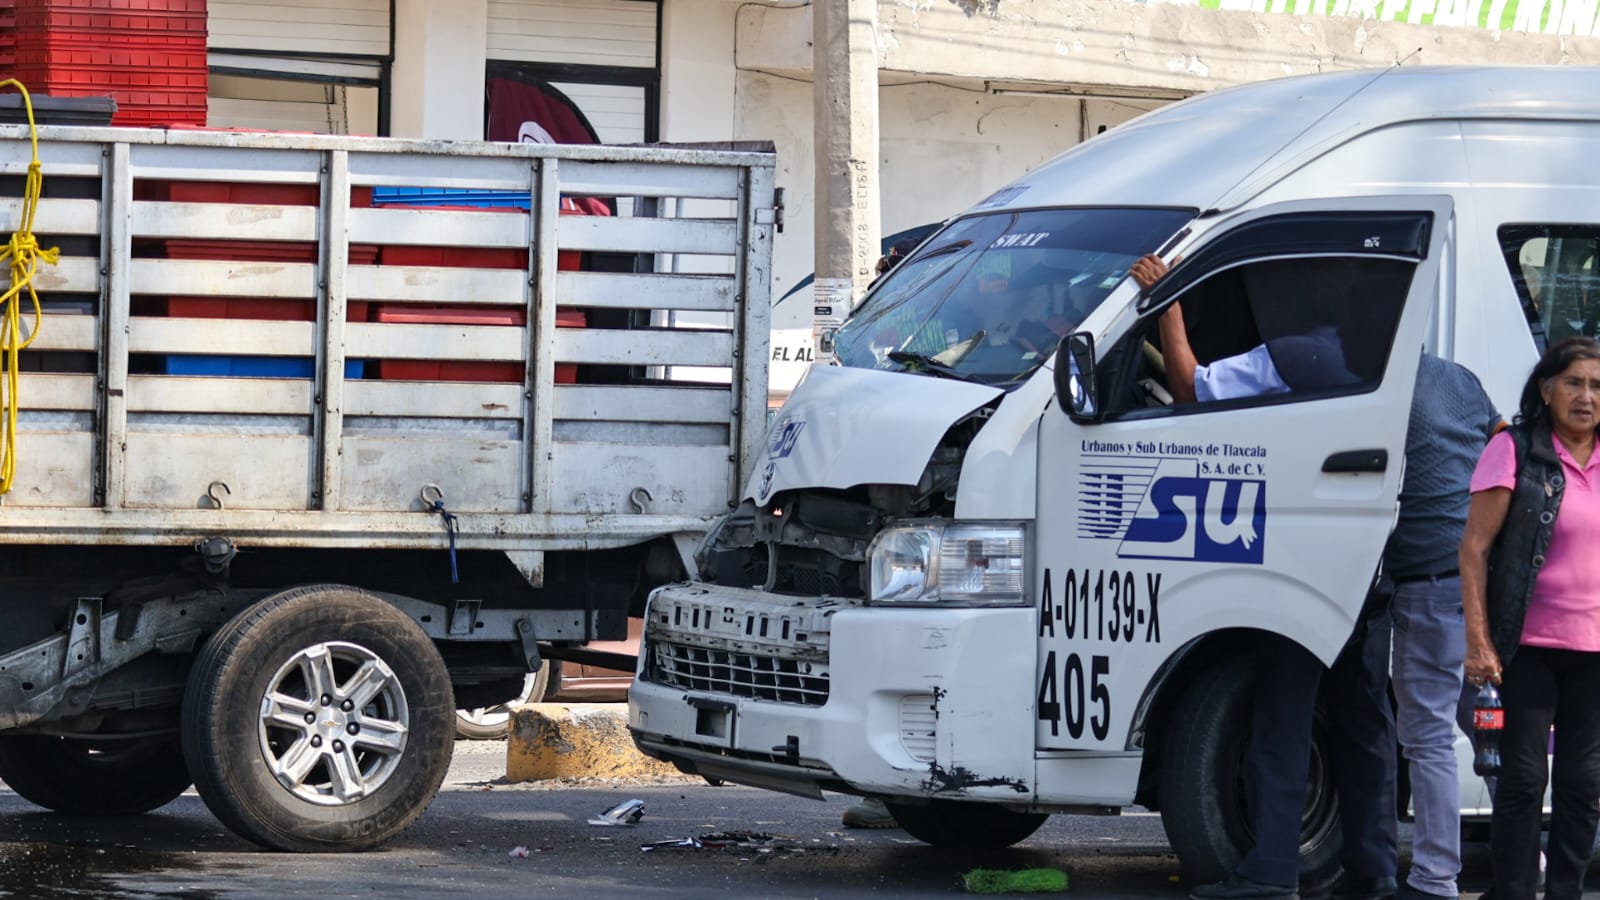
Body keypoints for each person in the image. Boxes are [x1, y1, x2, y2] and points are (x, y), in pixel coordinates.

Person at [1130, 253, 1397, 900]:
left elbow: (1191, 387)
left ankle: (1272, 870)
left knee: (1282, 716)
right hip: (1369, 561)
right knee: (1364, 721)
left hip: (1299, 567)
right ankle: (1375, 867)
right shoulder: (1408, 365)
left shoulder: (1294, 355)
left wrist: (1169, 308)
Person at [1461, 335, 1600, 900]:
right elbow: (1473, 548)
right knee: (1521, 781)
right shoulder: (1515, 449)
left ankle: (1565, 892)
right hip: (1525, 647)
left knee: (1584, 784)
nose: (1586, 397)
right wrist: (1478, 640)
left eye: (1596, 386)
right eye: (1574, 383)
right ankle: (1514, 892)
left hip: (1593, 651)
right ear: (1546, 389)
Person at [1383, 355, 1502, 900]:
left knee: (1428, 736)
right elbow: (1503, 439)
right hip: (1478, 579)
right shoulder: (1458, 378)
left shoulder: (1372, 377)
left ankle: (1434, 878)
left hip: (1427, 580)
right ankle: (1527, 856)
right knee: (1491, 732)